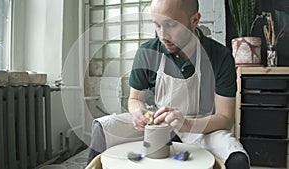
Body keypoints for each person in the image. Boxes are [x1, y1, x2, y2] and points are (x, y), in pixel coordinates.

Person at [87, 0, 250, 168]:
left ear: (194, 20)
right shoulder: (147, 52)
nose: (163, 35)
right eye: (157, 25)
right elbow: (135, 99)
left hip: (199, 127)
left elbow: (225, 119)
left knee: (237, 159)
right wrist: (138, 112)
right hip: (156, 122)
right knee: (103, 128)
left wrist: (186, 124)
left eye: (171, 25)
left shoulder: (220, 56)